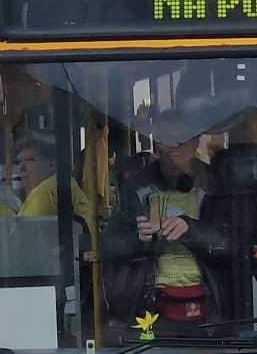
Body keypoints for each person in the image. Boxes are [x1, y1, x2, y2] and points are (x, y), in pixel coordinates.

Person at [99, 112, 236, 337]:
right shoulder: (136, 190)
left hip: (212, 307)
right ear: (157, 146)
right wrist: (137, 239)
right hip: (151, 308)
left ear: (195, 143)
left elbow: (234, 244)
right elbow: (107, 245)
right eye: (165, 142)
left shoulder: (216, 187)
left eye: (180, 142)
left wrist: (191, 229)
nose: (172, 150)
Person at [16, 136, 93, 236]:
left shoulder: (47, 189)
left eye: (30, 160)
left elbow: (23, 239)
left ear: (52, 165)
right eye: (19, 162)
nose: (22, 168)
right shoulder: (67, 188)